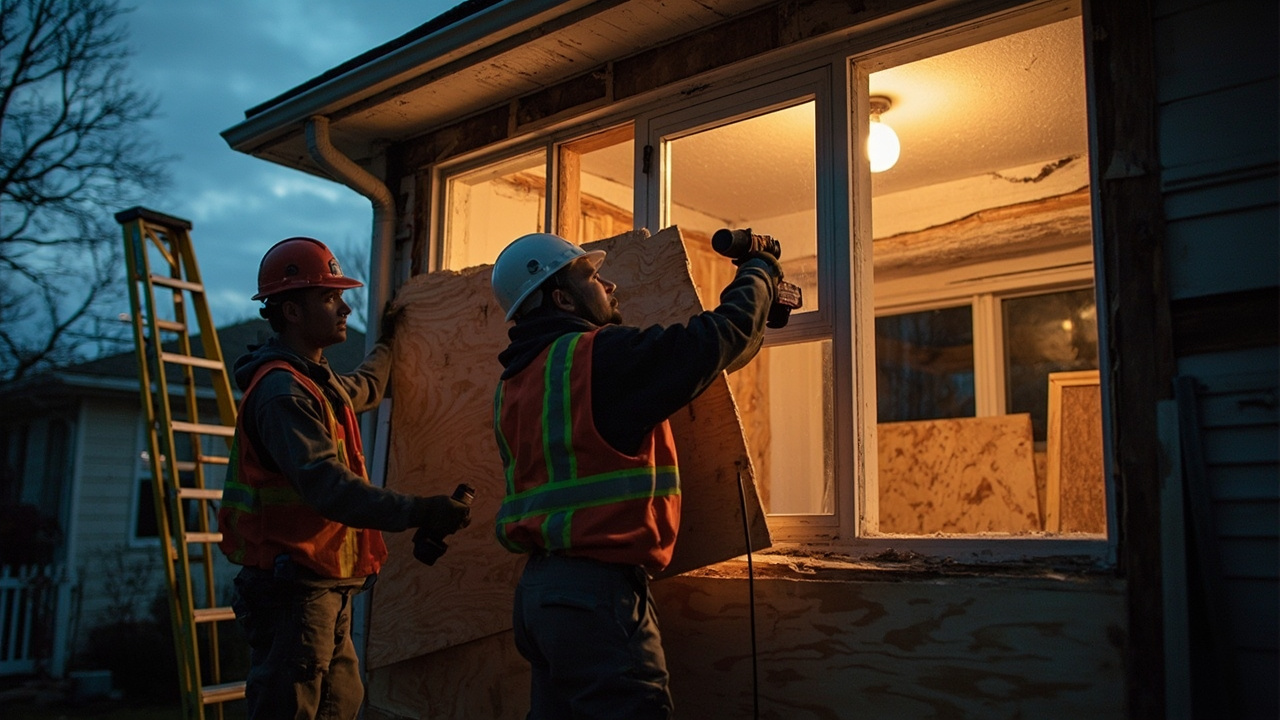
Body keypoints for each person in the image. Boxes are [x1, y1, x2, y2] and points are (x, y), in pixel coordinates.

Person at [489, 231, 782, 719]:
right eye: (592, 277)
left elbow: (716, 355)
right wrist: (760, 271)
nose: (610, 284)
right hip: (595, 597)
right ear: (561, 297)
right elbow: (716, 340)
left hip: (540, 597)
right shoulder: (597, 358)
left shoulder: (517, 381)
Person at [217, 236, 472, 720]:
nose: (345, 307)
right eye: (330, 298)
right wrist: (421, 511)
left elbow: (365, 387)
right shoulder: (282, 394)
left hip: (321, 587)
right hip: (293, 593)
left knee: (339, 705)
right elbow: (328, 487)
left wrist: (390, 343)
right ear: (291, 312)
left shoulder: (314, 382)